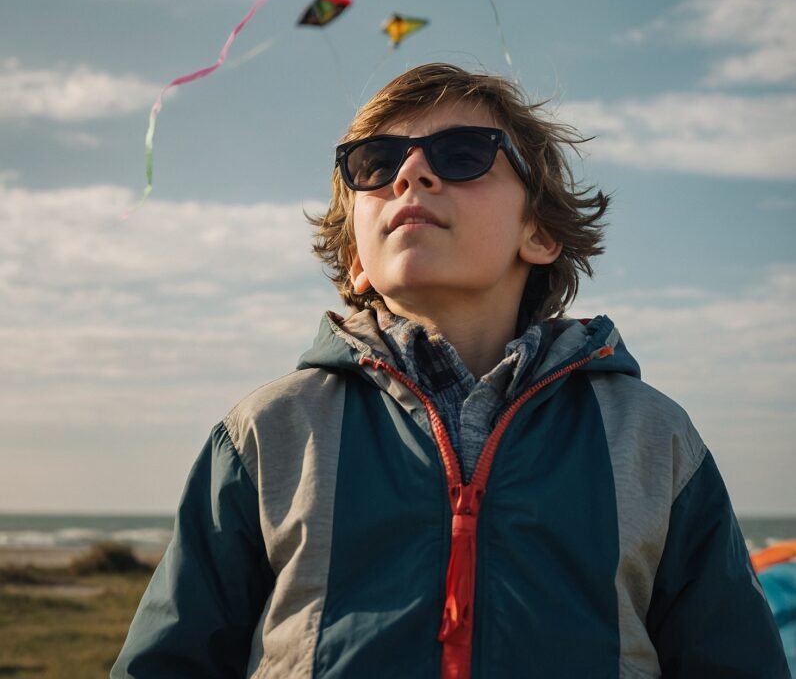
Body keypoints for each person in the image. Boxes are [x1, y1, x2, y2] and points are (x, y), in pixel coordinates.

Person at [112, 63, 788, 678]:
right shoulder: (269, 432)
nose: (410, 174)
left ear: (540, 233)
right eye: (376, 164)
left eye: (463, 155)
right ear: (356, 259)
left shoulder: (652, 438)